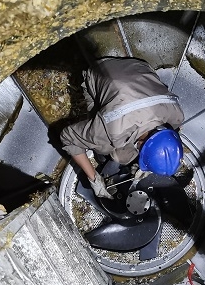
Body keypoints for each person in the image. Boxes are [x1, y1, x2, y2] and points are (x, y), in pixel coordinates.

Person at [60, 57, 184, 199]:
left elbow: (175, 131)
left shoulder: (177, 114)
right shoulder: (111, 131)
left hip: (138, 65)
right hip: (98, 71)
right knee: (104, 148)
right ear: (141, 144)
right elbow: (67, 137)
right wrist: (94, 178)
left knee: (123, 155)